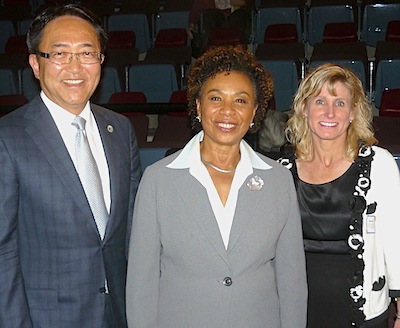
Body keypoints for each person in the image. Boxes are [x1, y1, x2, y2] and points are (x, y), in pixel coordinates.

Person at [126, 45, 307, 328]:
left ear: (255, 111)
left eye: (240, 101)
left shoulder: (278, 179)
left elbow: (292, 280)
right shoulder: (158, 179)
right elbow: (141, 282)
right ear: (198, 106)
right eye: (215, 98)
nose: (227, 111)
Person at [0, 4, 142, 328]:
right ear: (36, 64)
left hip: (120, 314)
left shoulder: (120, 130)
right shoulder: (8, 139)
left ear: (101, 61)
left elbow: (133, 232)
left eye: (87, 53)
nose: (75, 67)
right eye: (60, 54)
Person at [279, 63, 400, 328]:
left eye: (341, 103)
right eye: (320, 101)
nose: (330, 112)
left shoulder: (378, 163)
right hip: (296, 307)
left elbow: (395, 240)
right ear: (303, 108)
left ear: (354, 112)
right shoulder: (281, 171)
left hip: (363, 308)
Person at [187, 0, 252, 46]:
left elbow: (251, 6)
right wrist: (191, 28)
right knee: (209, 14)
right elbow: (195, 13)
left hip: (234, 25)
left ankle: (240, 47)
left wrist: (242, 3)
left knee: (240, 14)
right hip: (215, 27)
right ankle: (211, 47)